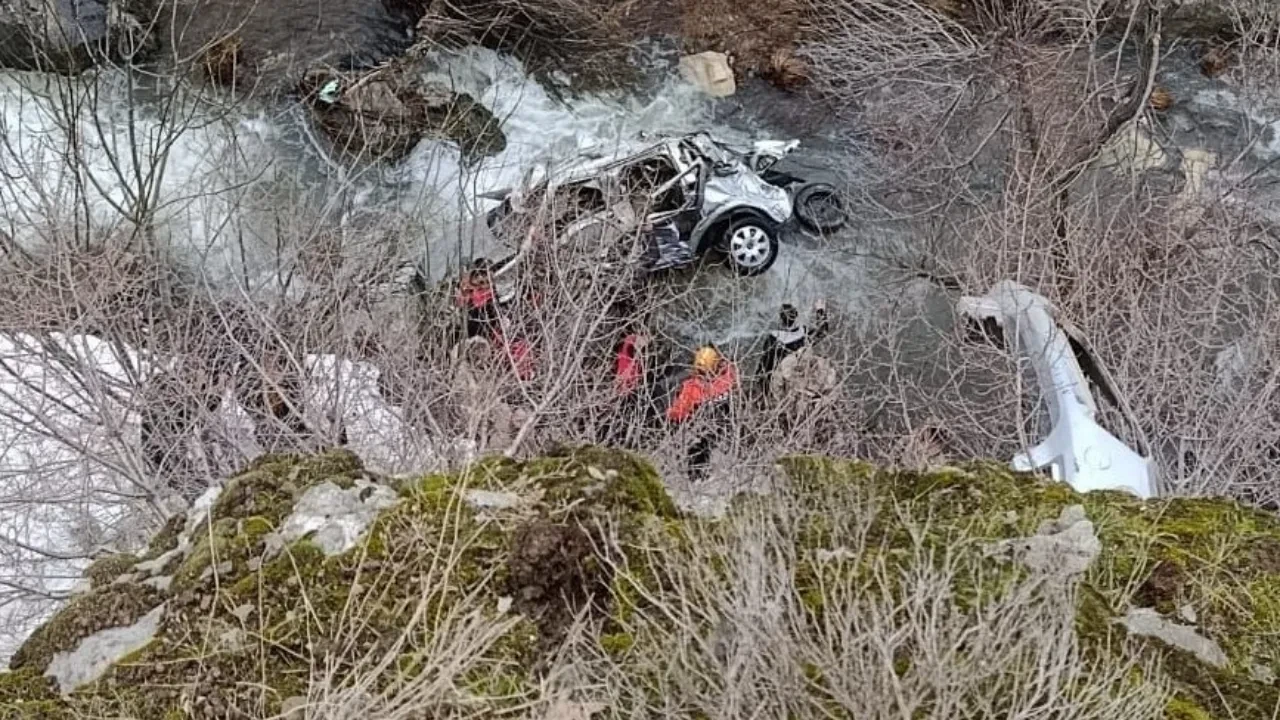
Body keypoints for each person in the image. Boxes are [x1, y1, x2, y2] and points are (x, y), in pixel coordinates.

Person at [666, 345, 739, 482]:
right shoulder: (729, 377)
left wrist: (669, 414)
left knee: (697, 458)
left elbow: (678, 413)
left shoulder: (693, 388)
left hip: (700, 435)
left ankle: (696, 479)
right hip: (727, 430)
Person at [757, 300, 829, 392]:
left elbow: (765, 365)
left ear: (780, 319)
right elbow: (822, 331)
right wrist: (820, 310)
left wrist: (760, 384)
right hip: (803, 383)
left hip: (782, 385)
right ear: (796, 316)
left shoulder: (774, 339)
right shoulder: (803, 334)